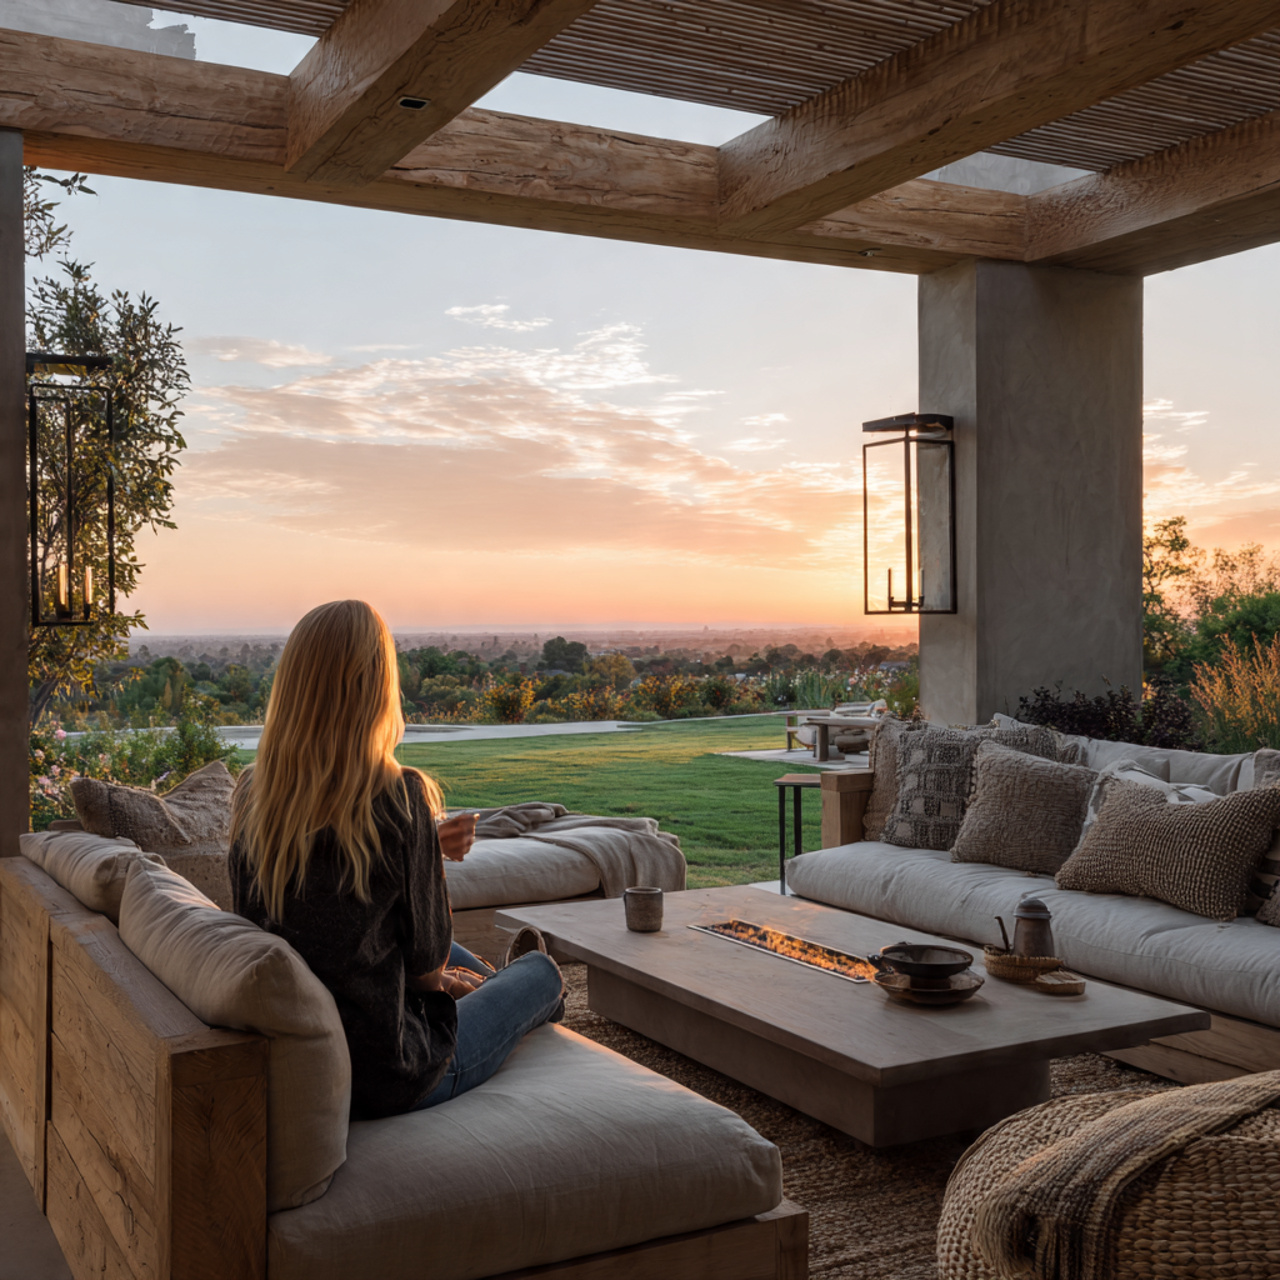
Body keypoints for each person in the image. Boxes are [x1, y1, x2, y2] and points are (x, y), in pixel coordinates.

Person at [228, 599, 564, 1119]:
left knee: (451, 949)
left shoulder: (254, 796)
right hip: (391, 1071)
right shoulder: (397, 795)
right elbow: (426, 970)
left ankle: (497, 981)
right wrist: (447, 985)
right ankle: (519, 988)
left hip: (309, 1051)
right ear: (376, 687)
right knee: (542, 973)